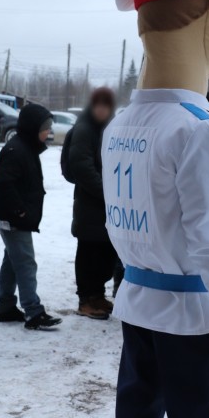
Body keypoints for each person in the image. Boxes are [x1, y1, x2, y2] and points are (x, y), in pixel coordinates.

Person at [106, 0, 209, 418]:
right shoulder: (196, 127)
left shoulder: (124, 123)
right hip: (191, 310)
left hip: (138, 300)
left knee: (137, 411)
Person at [0, 103, 62, 330]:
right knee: (25, 262)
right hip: (13, 218)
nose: (48, 132)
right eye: (45, 127)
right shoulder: (17, 150)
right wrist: (20, 211)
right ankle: (33, 311)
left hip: (14, 216)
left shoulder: (26, 147)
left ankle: (5, 306)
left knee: (12, 260)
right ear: (33, 128)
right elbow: (3, 184)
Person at [69, 87, 119, 320]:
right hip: (90, 204)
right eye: (98, 105)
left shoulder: (106, 129)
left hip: (103, 206)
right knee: (89, 253)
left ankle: (97, 295)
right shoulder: (84, 129)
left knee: (103, 253)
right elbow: (82, 167)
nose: (102, 110)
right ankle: (86, 300)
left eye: (106, 106)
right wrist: (108, 191)